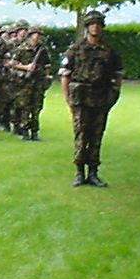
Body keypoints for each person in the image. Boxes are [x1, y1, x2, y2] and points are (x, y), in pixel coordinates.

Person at [59, 10, 123, 187]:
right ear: (87, 27)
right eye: (92, 24)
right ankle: (79, 172)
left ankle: (93, 172)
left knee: (96, 135)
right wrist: (68, 99)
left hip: (101, 97)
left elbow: (117, 75)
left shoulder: (109, 51)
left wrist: (114, 95)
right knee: (81, 134)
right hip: (81, 98)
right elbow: (65, 75)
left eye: (98, 24)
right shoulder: (75, 49)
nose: (95, 27)